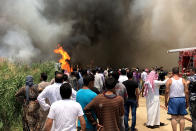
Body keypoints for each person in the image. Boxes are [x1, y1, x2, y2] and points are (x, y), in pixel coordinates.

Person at [165, 67, 189, 131]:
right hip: (182, 99)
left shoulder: (169, 80)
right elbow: (186, 91)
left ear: (172, 73)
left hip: (173, 99)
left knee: (173, 117)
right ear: (179, 72)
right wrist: (187, 101)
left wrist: (165, 101)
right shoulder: (183, 80)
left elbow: (167, 92)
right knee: (182, 117)